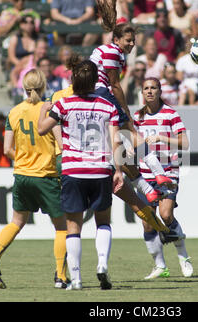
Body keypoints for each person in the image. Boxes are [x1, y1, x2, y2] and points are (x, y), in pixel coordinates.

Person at [49, 54, 182, 244]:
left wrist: (62, 147)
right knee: (132, 204)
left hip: (74, 165)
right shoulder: (101, 98)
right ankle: (159, 219)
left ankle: (64, 271)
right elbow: (115, 136)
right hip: (102, 165)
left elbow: (47, 124)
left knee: (71, 226)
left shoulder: (60, 98)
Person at [37, 57, 125, 291]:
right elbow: (115, 140)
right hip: (100, 170)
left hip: (73, 170)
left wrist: (44, 110)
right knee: (103, 222)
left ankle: (75, 279)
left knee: (73, 227)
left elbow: (42, 129)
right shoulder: (109, 106)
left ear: (73, 80)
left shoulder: (63, 104)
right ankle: (102, 264)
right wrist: (118, 170)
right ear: (96, 80)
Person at [0, 69, 67, 289]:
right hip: (46, 175)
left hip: (22, 174)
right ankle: (61, 276)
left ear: (24, 87)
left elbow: (7, 149)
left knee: (16, 222)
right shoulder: (49, 110)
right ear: (43, 87)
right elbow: (60, 146)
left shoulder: (13, 112)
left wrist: (25, 158)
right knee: (62, 227)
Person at [90, 2, 177, 201]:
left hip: (93, 99)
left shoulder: (110, 50)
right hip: (100, 95)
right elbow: (115, 86)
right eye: (128, 40)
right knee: (131, 130)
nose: (131, 44)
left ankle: (148, 190)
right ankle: (159, 172)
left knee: (119, 148)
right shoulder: (112, 52)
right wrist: (126, 111)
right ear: (117, 39)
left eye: (133, 41)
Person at [134, 77, 193, 279]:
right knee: (147, 221)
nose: (149, 91)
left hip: (167, 172)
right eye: (146, 88)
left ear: (160, 91)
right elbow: (131, 143)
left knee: (166, 215)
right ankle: (160, 266)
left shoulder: (170, 114)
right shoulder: (137, 117)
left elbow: (184, 143)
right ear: (142, 92)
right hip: (144, 174)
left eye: (153, 88)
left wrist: (162, 138)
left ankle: (183, 257)